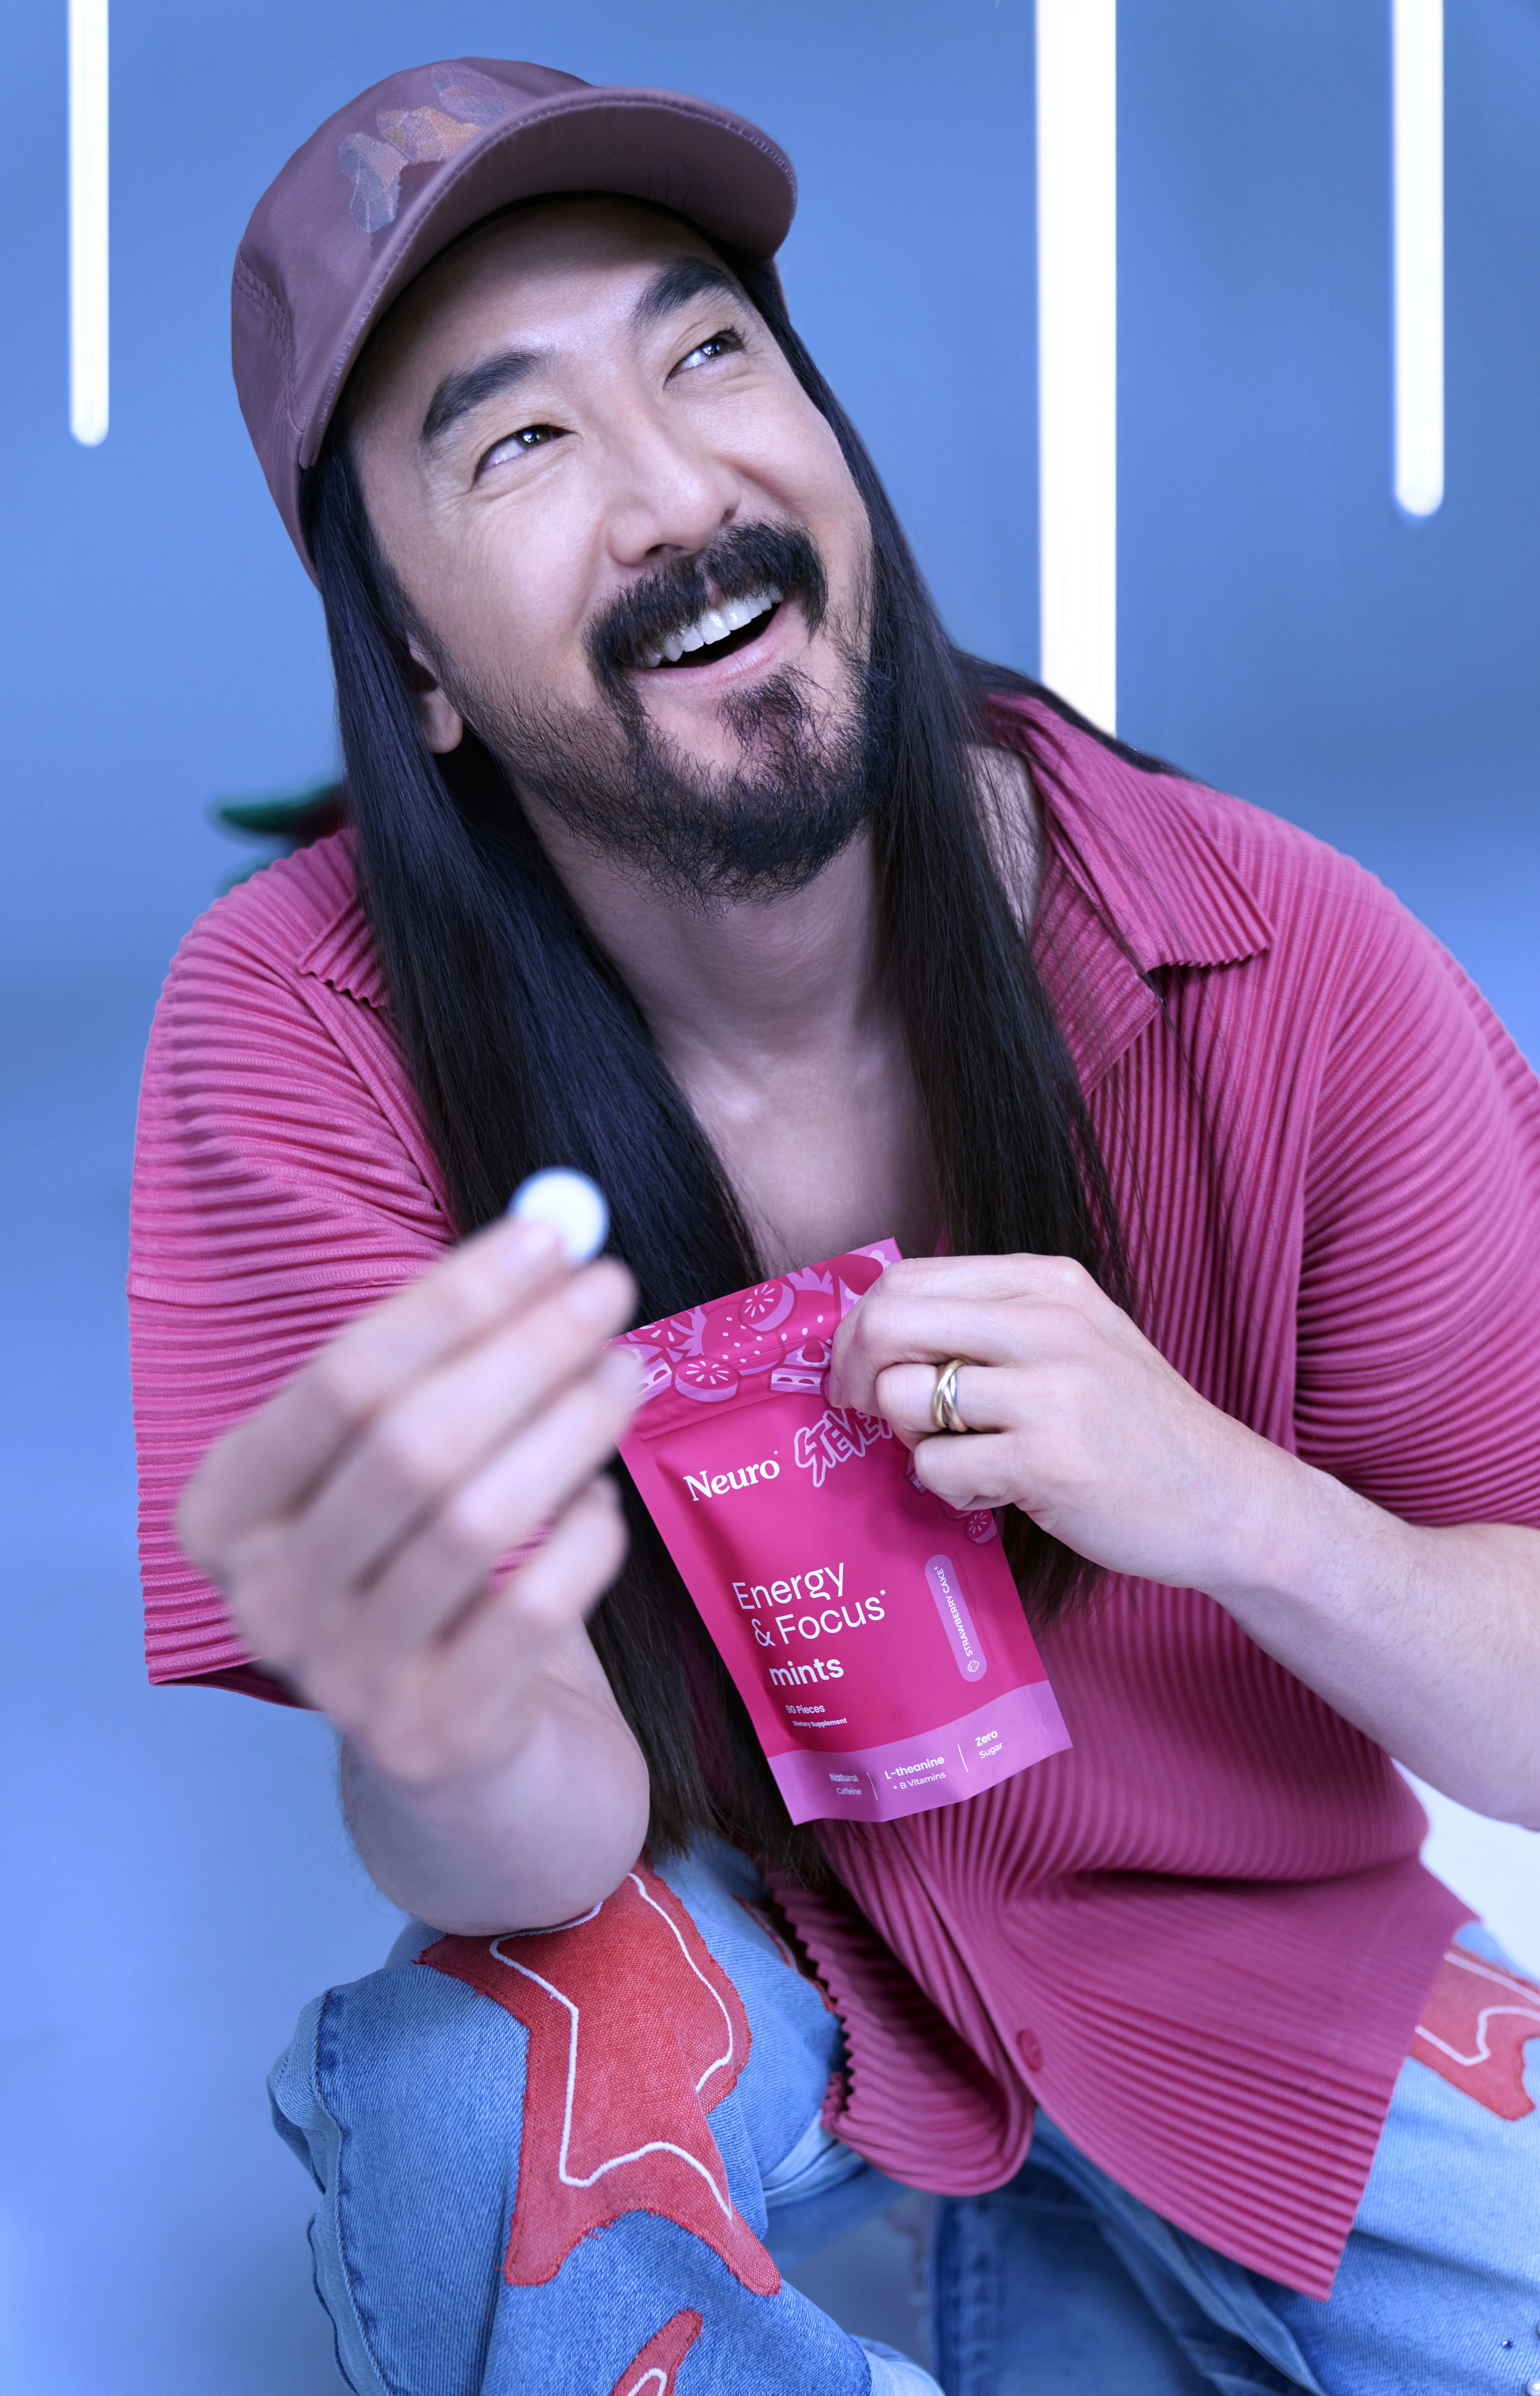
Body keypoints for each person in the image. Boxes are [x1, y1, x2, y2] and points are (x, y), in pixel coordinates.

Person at [129, 55, 1540, 2396]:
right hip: (721, 1942)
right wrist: (444, 1696)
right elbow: (529, 1844)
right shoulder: (300, 1027)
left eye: (708, 355)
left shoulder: (1283, 962)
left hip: (1247, 1958)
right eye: (522, 442)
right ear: (407, 664)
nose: (679, 490)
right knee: (450, 2093)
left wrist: (1243, 1506)